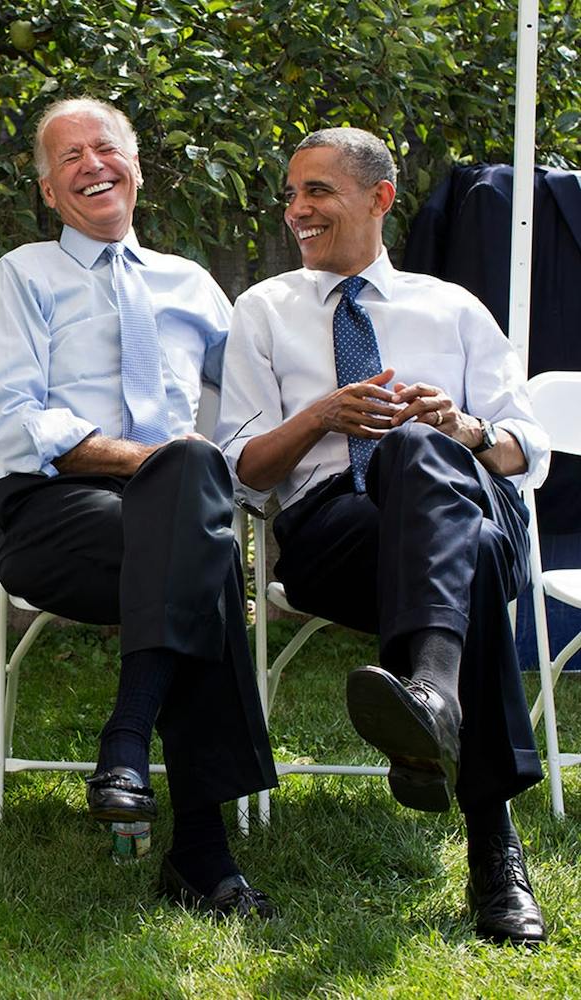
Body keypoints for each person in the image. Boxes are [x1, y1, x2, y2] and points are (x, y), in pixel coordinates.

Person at [215, 126, 551, 945]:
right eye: (291, 193)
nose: (297, 209)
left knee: (419, 451)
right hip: (338, 533)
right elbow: (241, 469)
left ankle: (432, 702)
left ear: (379, 199)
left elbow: (525, 449)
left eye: (317, 191)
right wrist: (322, 415)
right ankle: (491, 843)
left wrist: (461, 428)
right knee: (459, 553)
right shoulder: (264, 311)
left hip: (471, 498)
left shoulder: (454, 306)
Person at [0, 97, 278, 919]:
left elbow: (256, 399)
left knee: (192, 530)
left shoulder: (192, 286)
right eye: (67, 157)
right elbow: (13, 420)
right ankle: (202, 852)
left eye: (104, 148)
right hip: (56, 514)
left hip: (172, 518)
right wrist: (164, 463)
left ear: (137, 168)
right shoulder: (23, 276)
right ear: (47, 190)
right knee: (197, 531)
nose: (91, 165)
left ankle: (127, 753)